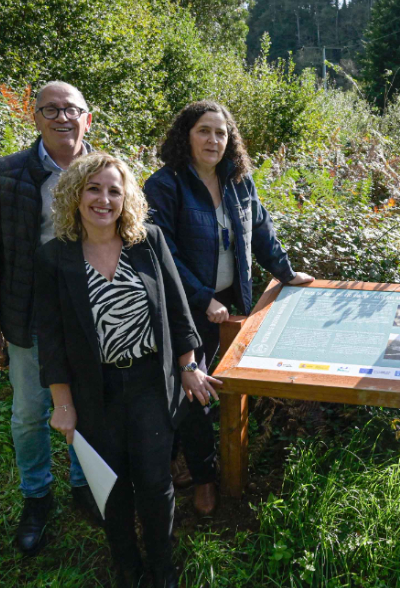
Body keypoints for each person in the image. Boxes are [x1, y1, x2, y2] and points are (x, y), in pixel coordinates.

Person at [35, 153, 222, 586]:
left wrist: (189, 366)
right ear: (75, 195)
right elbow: (53, 338)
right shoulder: (54, 258)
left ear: (127, 198)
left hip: (150, 384)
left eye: (114, 191)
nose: (104, 199)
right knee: (112, 485)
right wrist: (62, 404)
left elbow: (178, 310)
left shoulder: (148, 242)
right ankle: (126, 566)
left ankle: (161, 570)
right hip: (92, 387)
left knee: (155, 484)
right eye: (94, 189)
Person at [143, 100, 313, 516]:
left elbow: (262, 232)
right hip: (184, 307)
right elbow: (163, 254)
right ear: (186, 135)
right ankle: (203, 478)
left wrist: (287, 274)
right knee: (197, 390)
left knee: (200, 390)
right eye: (204, 130)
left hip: (228, 306)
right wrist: (203, 298)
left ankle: (175, 461)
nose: (213, 140)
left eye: (221, 133)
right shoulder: (164, 185)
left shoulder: (239, 182)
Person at [0, 81, 101, 555]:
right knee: (28, 413)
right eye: (50, 109)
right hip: (28, 313)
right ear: (35, 117)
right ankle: (36, 498)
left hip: (91, 313)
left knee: (88, 405)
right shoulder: (5, 174)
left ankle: (85, 487)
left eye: (71, 110)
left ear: (88, 118)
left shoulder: (104, 171)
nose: (62, 118)